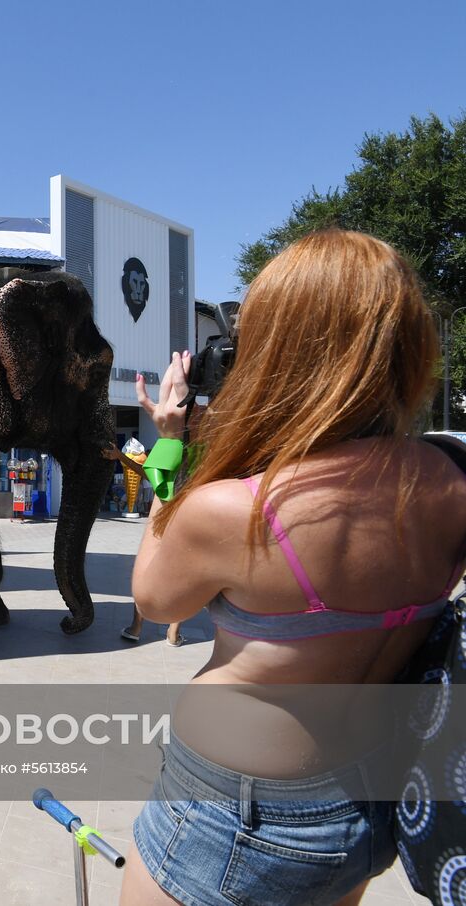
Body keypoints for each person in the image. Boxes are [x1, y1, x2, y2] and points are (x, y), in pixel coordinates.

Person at [119, 231, 466, 905]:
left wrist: (171, 445)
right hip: (368, 804)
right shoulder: (453, 478)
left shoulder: (235, 510)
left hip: (227, 816)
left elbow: (154, 599)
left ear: (280, 353)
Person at [104, 444, 185, 646]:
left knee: (146, 571)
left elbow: (147, 472)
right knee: (181, 576)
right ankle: (174, 633)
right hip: (188, 517)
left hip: (163, 517)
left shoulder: (170, 444)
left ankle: (136, 627)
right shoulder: (199, 450)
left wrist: (120, 455)